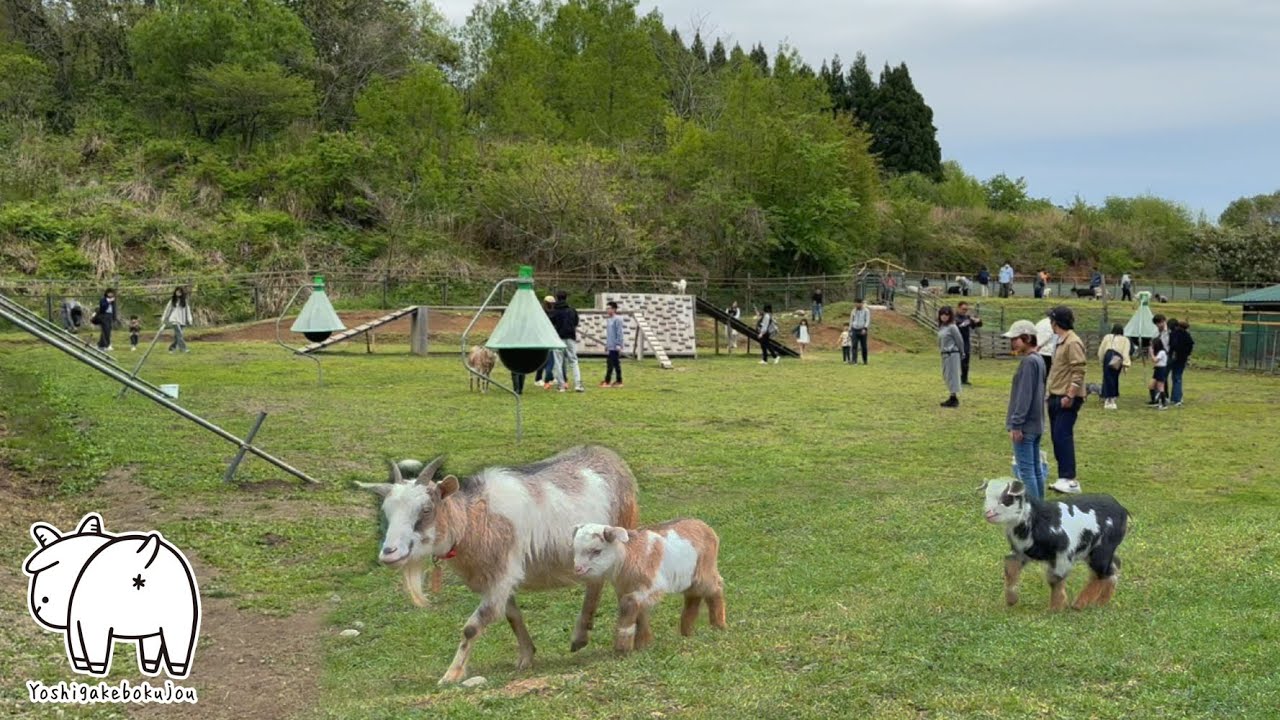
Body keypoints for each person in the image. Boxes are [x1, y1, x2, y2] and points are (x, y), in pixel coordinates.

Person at [1002, 319, 1047, 499]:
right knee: (1035, 469)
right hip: (1036, 424)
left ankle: (1035, 513)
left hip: (1025, 426)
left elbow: (1024, 395)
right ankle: (1041, 509)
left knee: (1026, 471)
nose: (1012, 343)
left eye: (1016, 339)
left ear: (1027, 338)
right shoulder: (1039, 360)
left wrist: (1016, 424)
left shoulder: (1029, 362)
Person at [1045, 306, 1086, 494]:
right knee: (1056, 437)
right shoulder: (1060, 341)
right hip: (1055, 395)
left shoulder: (1073, 342)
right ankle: (1063, 476)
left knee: (1063, 436)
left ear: (1057, 322)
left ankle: (1070, 479)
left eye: (1051, 320)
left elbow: (1078, 371)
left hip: (1066, 397)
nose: (1050, 324)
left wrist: (1070, 394)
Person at [550, 290, 584, 392]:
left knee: (558, 362)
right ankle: (578, 384)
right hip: (570, 337)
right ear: (566, 298)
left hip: (558, 338)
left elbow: (551, 324)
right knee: (573, 361)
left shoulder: (554, 312)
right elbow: (576, 322)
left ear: (556, 298)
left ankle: (561, 385)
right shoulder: (572, 310)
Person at [1097, 324, 1132, 410]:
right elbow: (1125, 352)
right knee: (1114, 377)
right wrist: (1126, 364)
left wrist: (1101, 359)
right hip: (1118, 358)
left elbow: (1101, 349)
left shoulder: (1107, 337)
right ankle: (1111, 398)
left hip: (1108, 356)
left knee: (1107, 377)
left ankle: (1108, 397)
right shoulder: (1125, 340)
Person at [937, 306, 964, 407]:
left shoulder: (952, 327)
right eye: (942, 314)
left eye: (946, 315)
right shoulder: (942, 327)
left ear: (950, 316)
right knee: (947, 375)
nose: (944, 317)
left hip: (952, 353)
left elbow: (959, 340)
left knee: (953, 375)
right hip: (945, 354)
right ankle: (952, 395)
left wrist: (962, 352)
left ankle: (954, 398)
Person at [955, 301, 982, 385]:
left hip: (965, 343)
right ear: (958, 308)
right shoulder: (954, 318)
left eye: (966, 309)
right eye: (963, 309)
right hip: (955, 343)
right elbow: (960, 325)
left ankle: (964, 379)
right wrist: (969, 321)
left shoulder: (967, 317)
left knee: (965, 363)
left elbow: (978, 325)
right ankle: (954, 378)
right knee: (954, 362)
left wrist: (978, 321)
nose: (964, 311)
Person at [1168, 320, 1194, 407]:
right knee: (1178, 377)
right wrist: (1187, 355)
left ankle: (1175, 398)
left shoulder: (1173, 334)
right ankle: (1177, 398)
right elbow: (1190, 345)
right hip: (1182, 358)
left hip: (1172, 357)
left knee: (1173, 377)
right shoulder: (1187, 336)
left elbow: (1171, 345)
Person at [161, 286, 193, 353]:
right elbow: (167, 310)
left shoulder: (184, 301)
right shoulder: (172, 301)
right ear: (175, 292)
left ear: (182, 293)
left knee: (177, 336)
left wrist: (190, 319)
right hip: (174, 320)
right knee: (179, 334)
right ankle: (184, 349)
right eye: (177, 291)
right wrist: (164, 318)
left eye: (180, 292)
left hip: (182, 320)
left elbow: (188, 311)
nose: (178, 293)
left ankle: (172, 348)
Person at [600, 301, 624, 388]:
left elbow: (619, 333)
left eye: (609, 308)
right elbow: (609, 334)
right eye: (607, 308)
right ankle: (615, 380)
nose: (607, 310)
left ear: (614, 309)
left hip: (615, 346)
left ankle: (610, 381)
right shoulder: (609, 320)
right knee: (613, 363)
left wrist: (619, 344)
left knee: (612, 363)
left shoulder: (618, 319)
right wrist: (607, 345)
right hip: (610, 345)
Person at [1148, 314, 1169, 405]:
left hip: (1164, 357)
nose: (1158, 325)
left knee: (1161, 384)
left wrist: (1152, 352)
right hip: (1159, 363)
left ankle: (1163, 400)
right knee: (1155, 384)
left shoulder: (1168, 332)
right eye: (1156, 324)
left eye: (1159, 323)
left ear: (1164, 321)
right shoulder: (1157, 333)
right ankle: (1156, 399)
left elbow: (1166, 344)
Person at [536, 295, 557, 386]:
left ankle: (548, 377)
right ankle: (539, 378)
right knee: (545, 359)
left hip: (544, 337)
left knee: (546, 358)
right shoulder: (551, 313)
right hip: (546, 337)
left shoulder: (540, 311)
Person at [1035, 311, 1058, 380]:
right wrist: (1039, 346)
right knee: (1044, 376)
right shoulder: (1051, 324)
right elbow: (1048, 336)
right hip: (1047, 352)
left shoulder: (1040, 322)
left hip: (1038, 352)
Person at [1149, 337, 1170, 409]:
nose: (1151, 346)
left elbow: (1155, 360)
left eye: (1152, 345)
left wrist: (1151, 353)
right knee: (1151, 385)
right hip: (1157, 369)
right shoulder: (1158, 352)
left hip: (1161, 370)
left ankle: (1164, 403)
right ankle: (1154, 401)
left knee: (1160, 387)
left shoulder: (1162, 352)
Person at [848, 298, 870, 365]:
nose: (856, 305)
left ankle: (865, 360)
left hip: (862, 329)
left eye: (857, 303)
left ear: (861, 303)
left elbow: (867, 320)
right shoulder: (853, 311)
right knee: (854, 345)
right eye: (855, 303)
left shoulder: (866, 311)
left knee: (864, 346)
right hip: (854, 329)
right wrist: (850, 329)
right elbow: (851, 320)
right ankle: (854, 360)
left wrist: (865, 328)